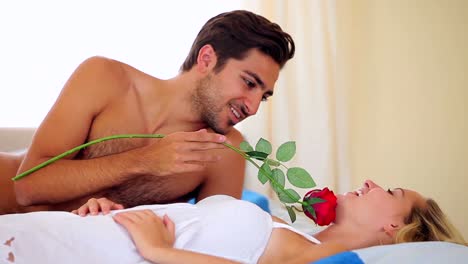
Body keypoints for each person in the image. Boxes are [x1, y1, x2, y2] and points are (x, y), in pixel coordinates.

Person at [0, 10, 295, 214]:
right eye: (248, 83)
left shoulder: (225, 152)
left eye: (264, 96)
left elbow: (213, 240)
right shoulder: (104, 78)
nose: (253, 106)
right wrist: (145, 161)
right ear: (207, 59)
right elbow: (27, 187)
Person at [0, 180, 465, 264]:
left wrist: (159, 251)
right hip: (61, 236)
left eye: (394, 192)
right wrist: (106, 212)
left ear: (396, 229)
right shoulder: (295, 235)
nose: (370, 182)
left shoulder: (311, 257)